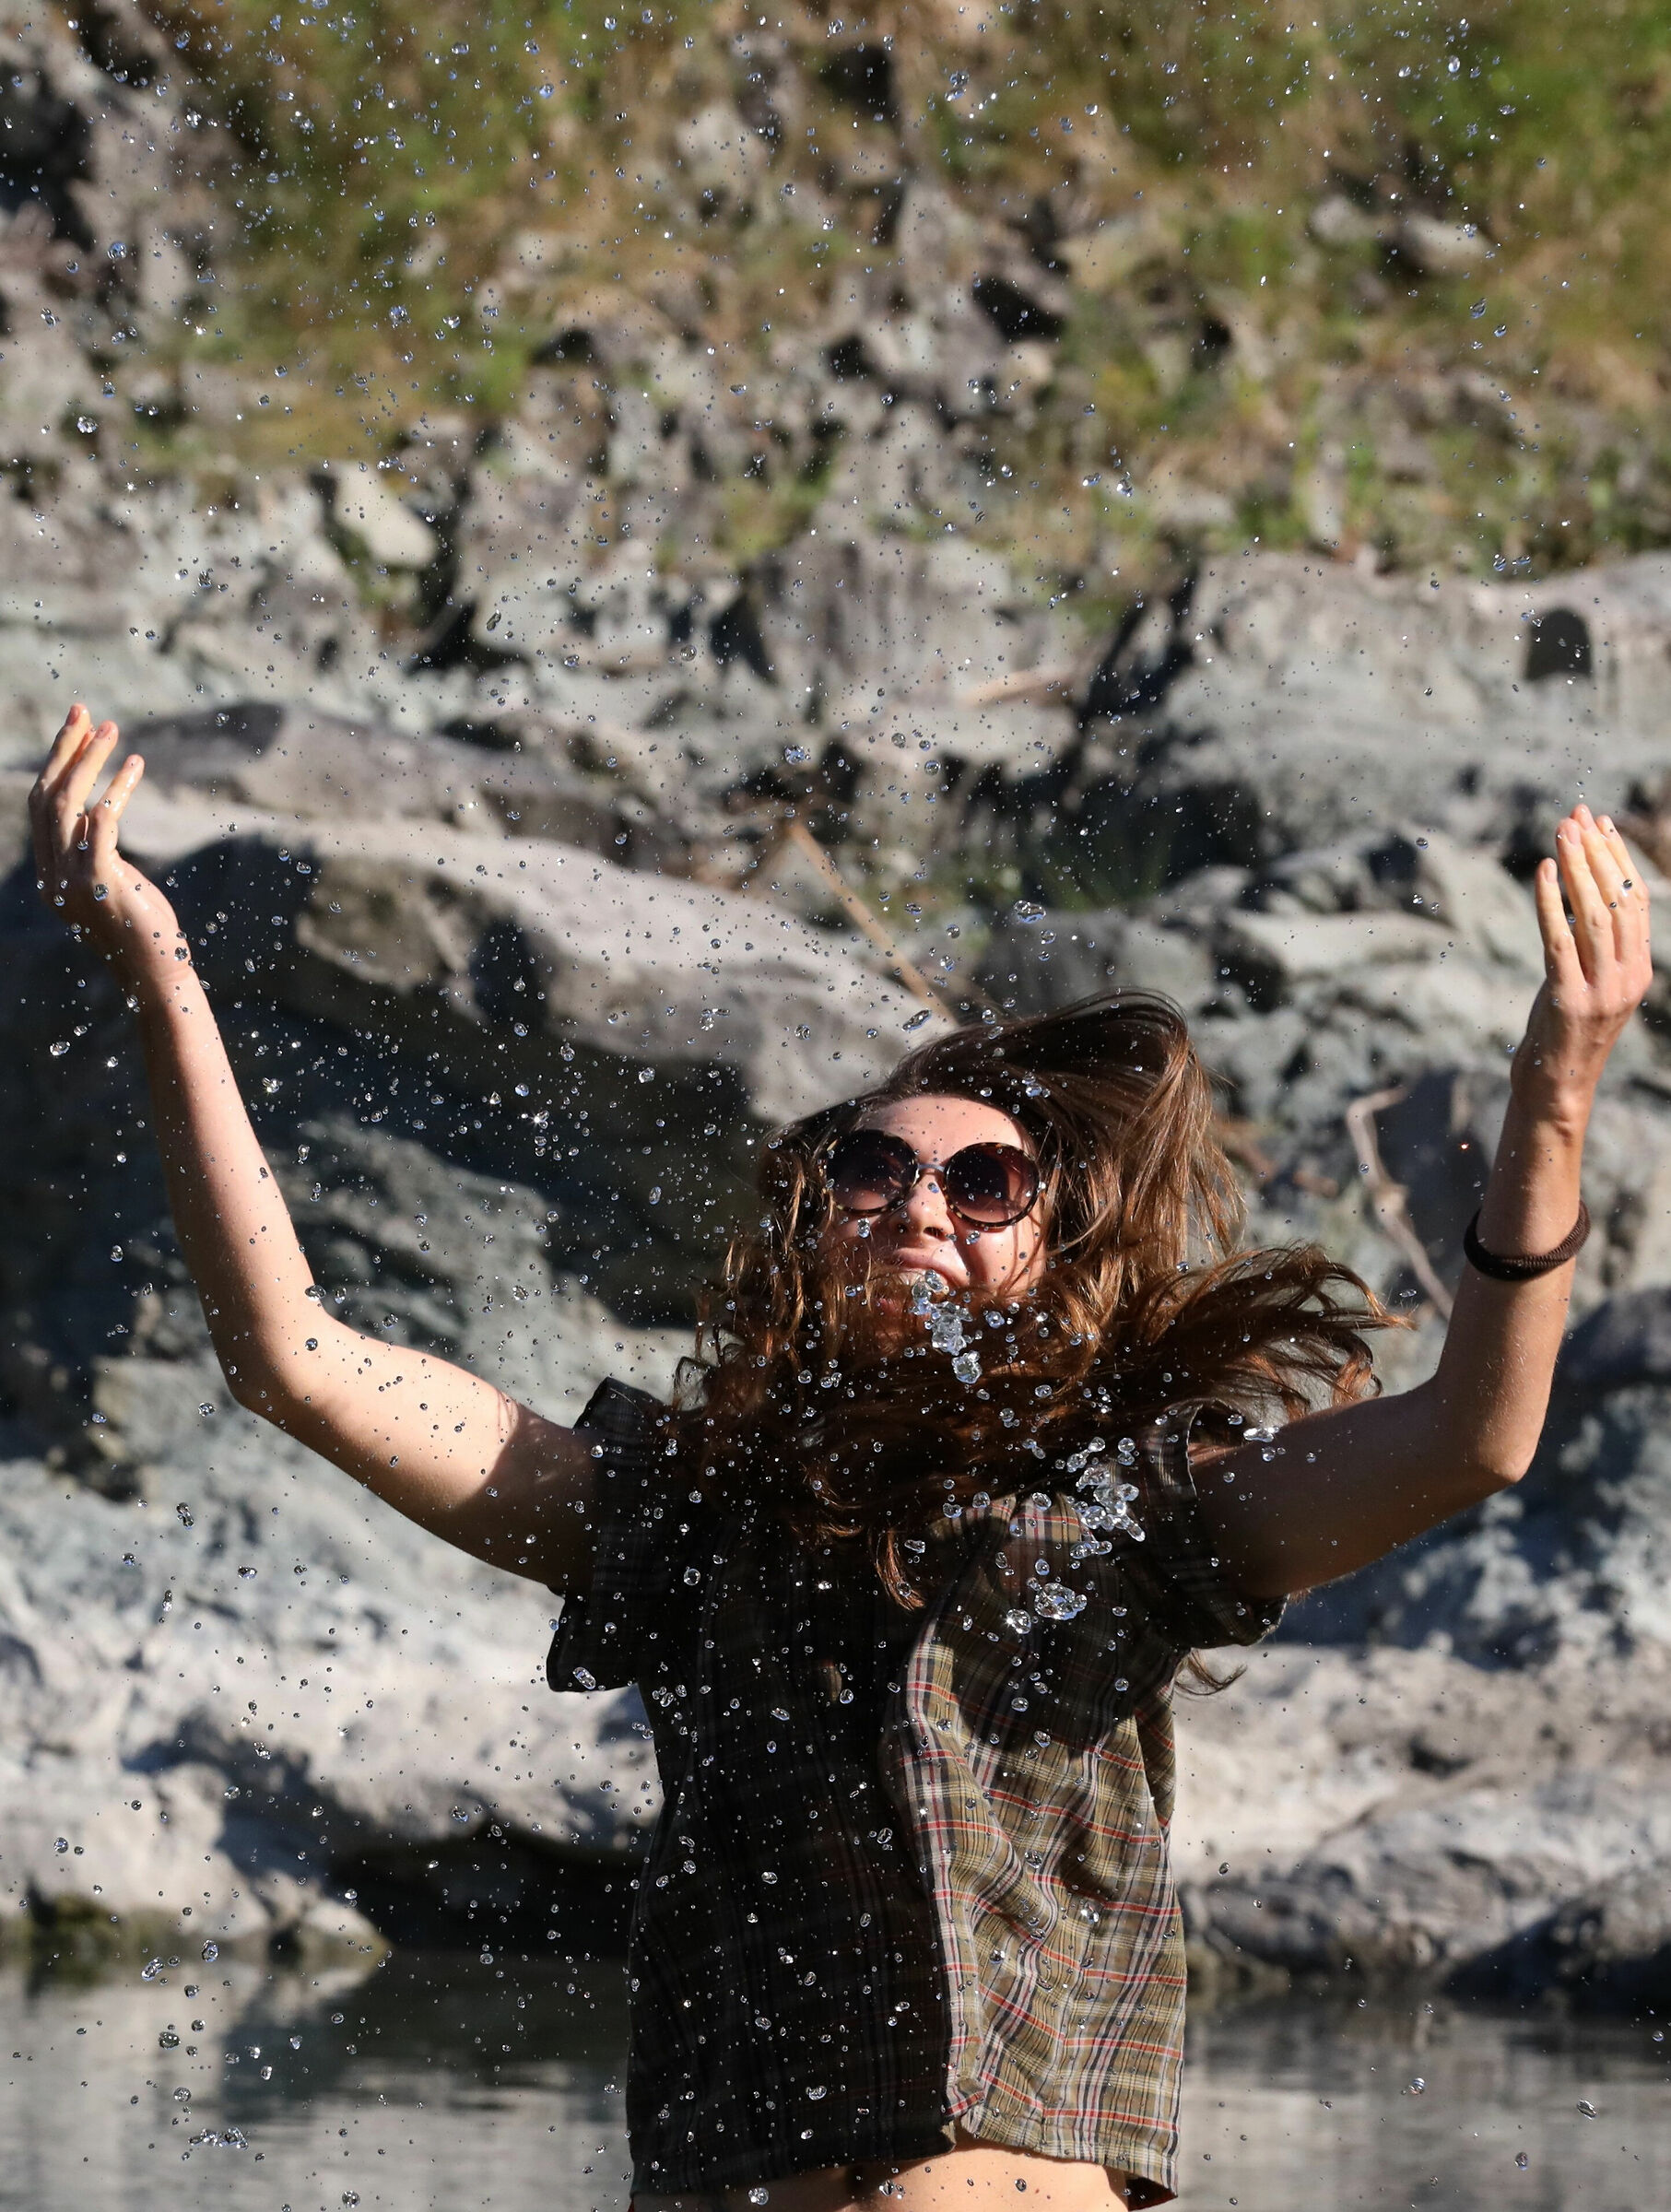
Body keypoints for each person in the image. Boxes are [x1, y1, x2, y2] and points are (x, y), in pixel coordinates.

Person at [30, 702, 1652, 2211]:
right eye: (873, 1165)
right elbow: (294, 1360)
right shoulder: (674, 1510)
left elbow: (1472, 1439)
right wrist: (166, 979)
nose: (919, 1206)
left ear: (1054, 1252)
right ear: (812, 1211)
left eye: (987, 1185)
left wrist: (1553, 1091)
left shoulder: (1123, 1511)